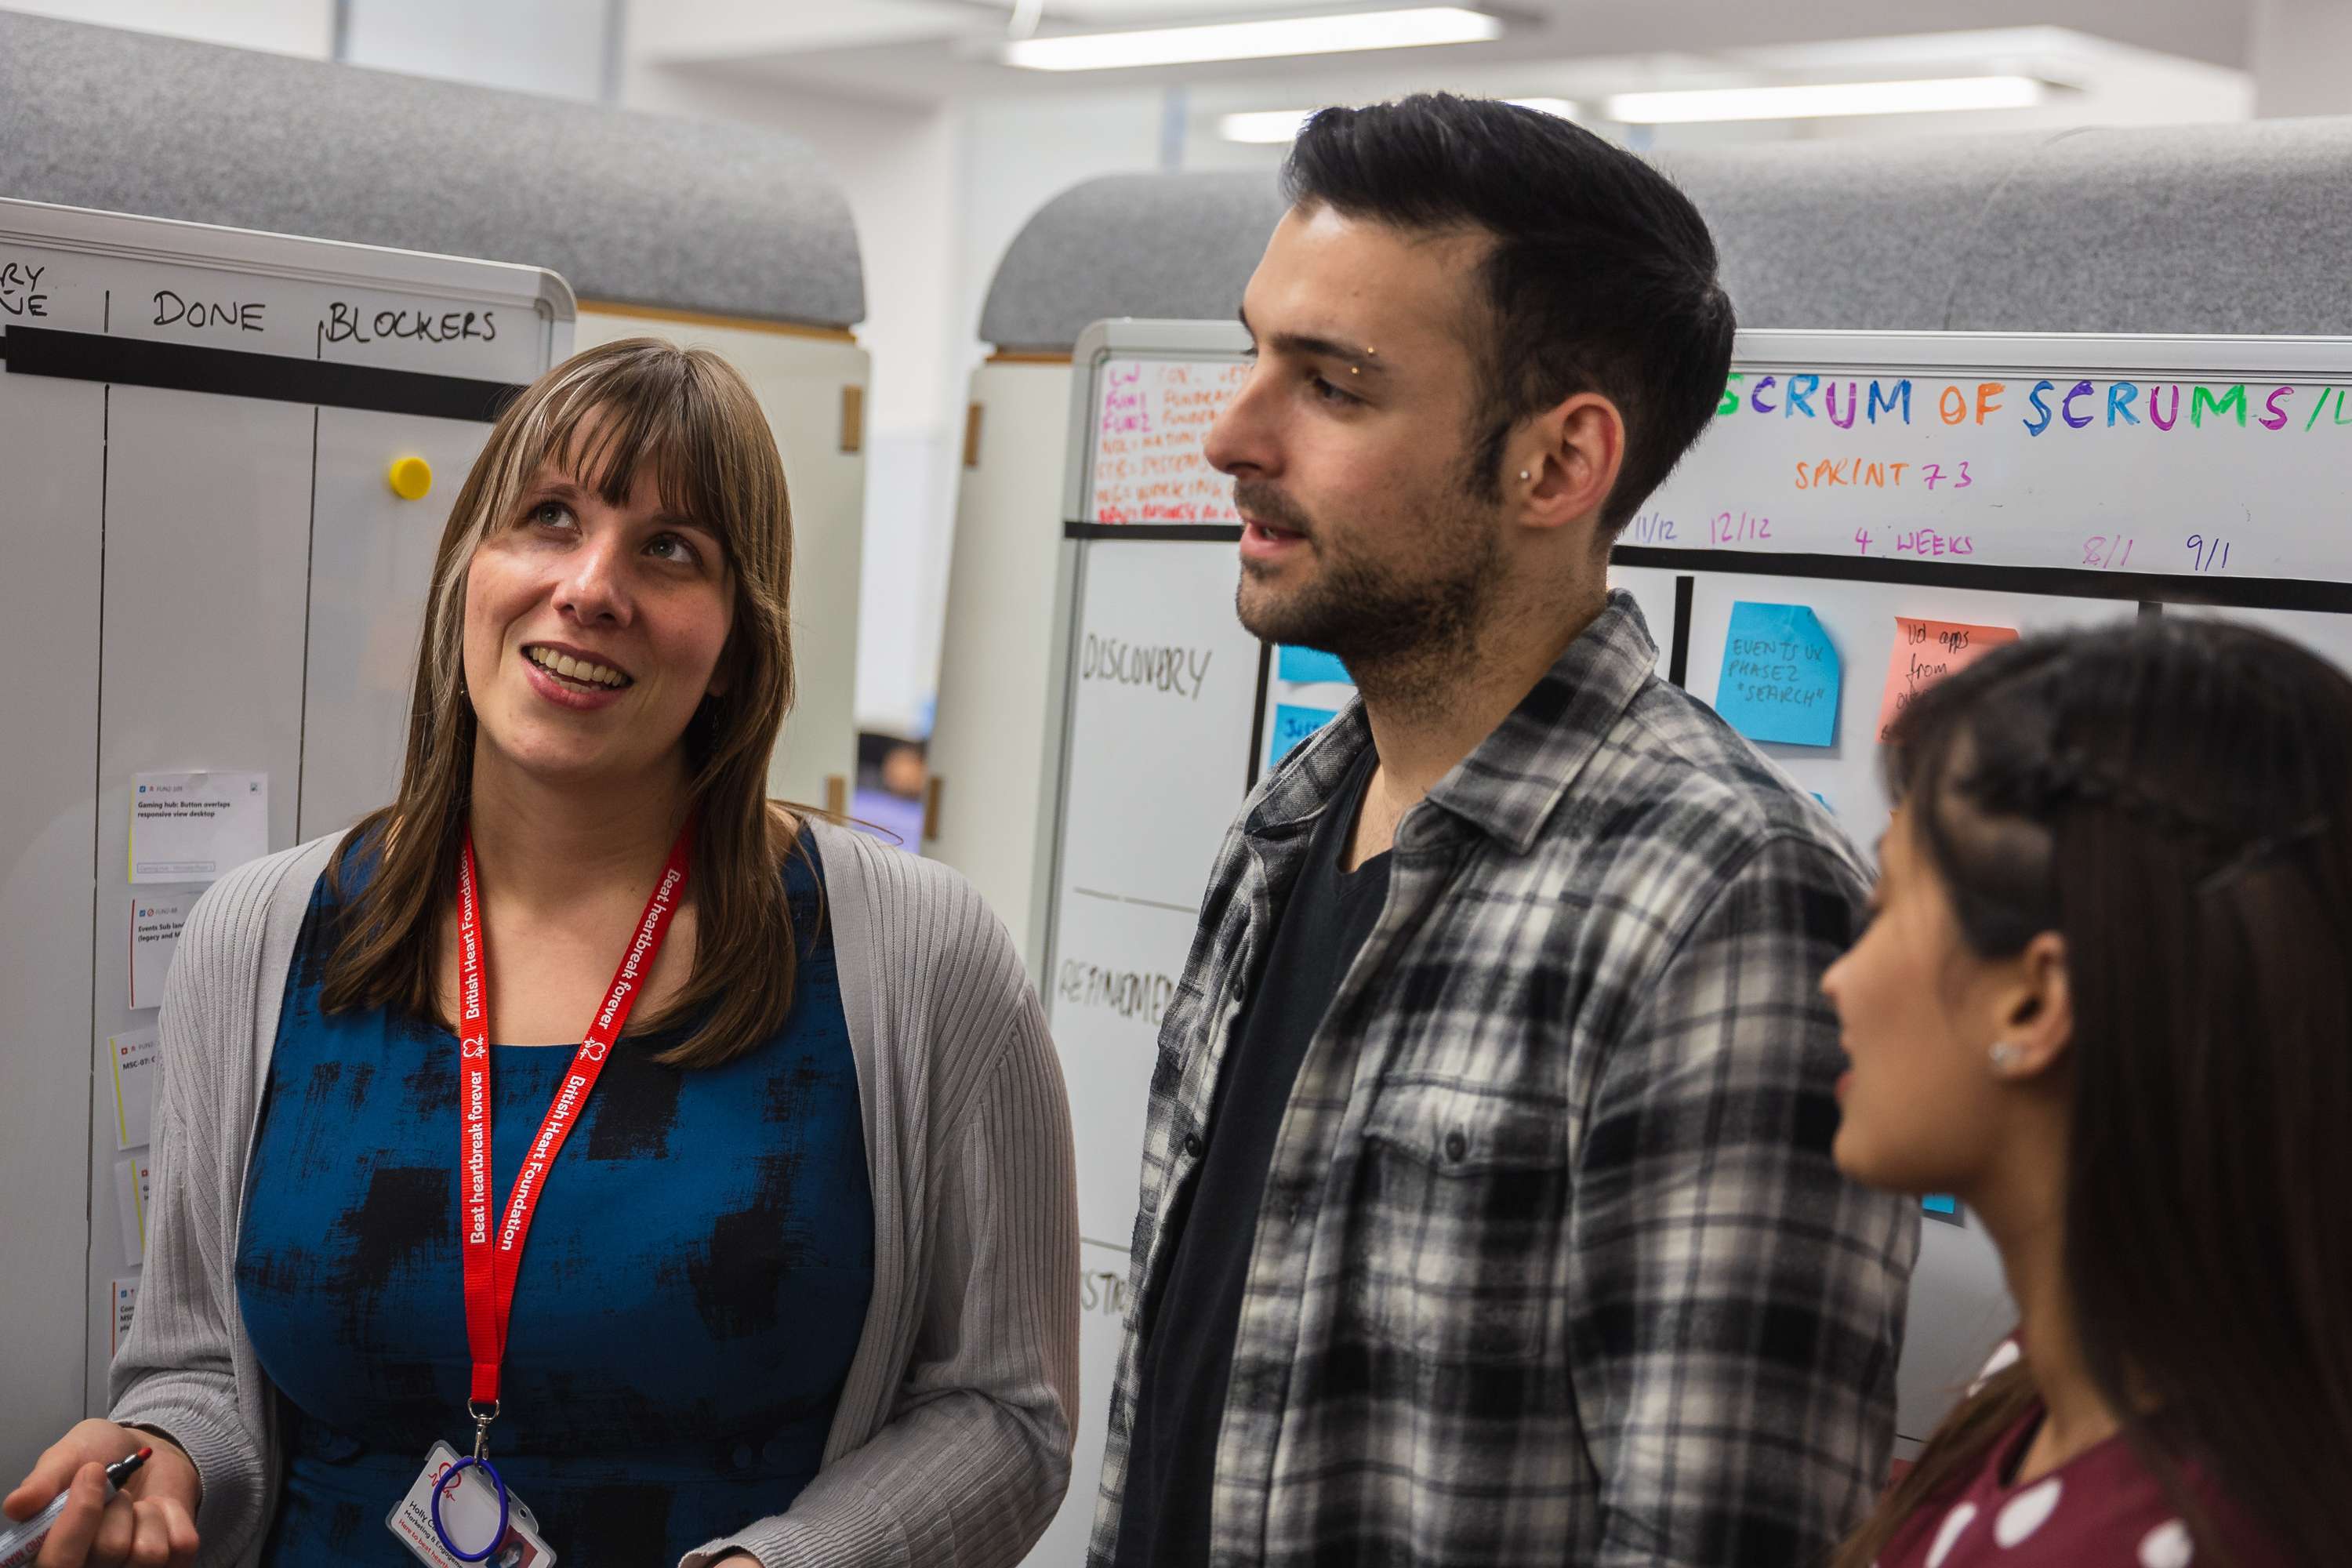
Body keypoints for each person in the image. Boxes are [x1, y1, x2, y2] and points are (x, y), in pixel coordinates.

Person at [4, 339, 1079, 1568]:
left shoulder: (918, 961)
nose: (590, 586)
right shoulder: (262, 939)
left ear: (738, 643)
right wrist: (163, 1462)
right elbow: (199, 1367)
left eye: (671, 550)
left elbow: (1007, 1414)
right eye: (548, 518)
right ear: (470, 566)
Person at [1091, 94, 1917, 1568]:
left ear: (1557, 464)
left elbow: (1718, 1537)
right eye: (1252, 352)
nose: (1229, 434)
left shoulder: (1727, 903)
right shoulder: (1286, 833)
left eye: (1333, 386)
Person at [1824, 618, 2352, 1568]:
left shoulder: (2175, 1525)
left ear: (2034, 1000)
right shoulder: (2059, 1387)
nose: (1837, 978)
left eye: (1888, 906)